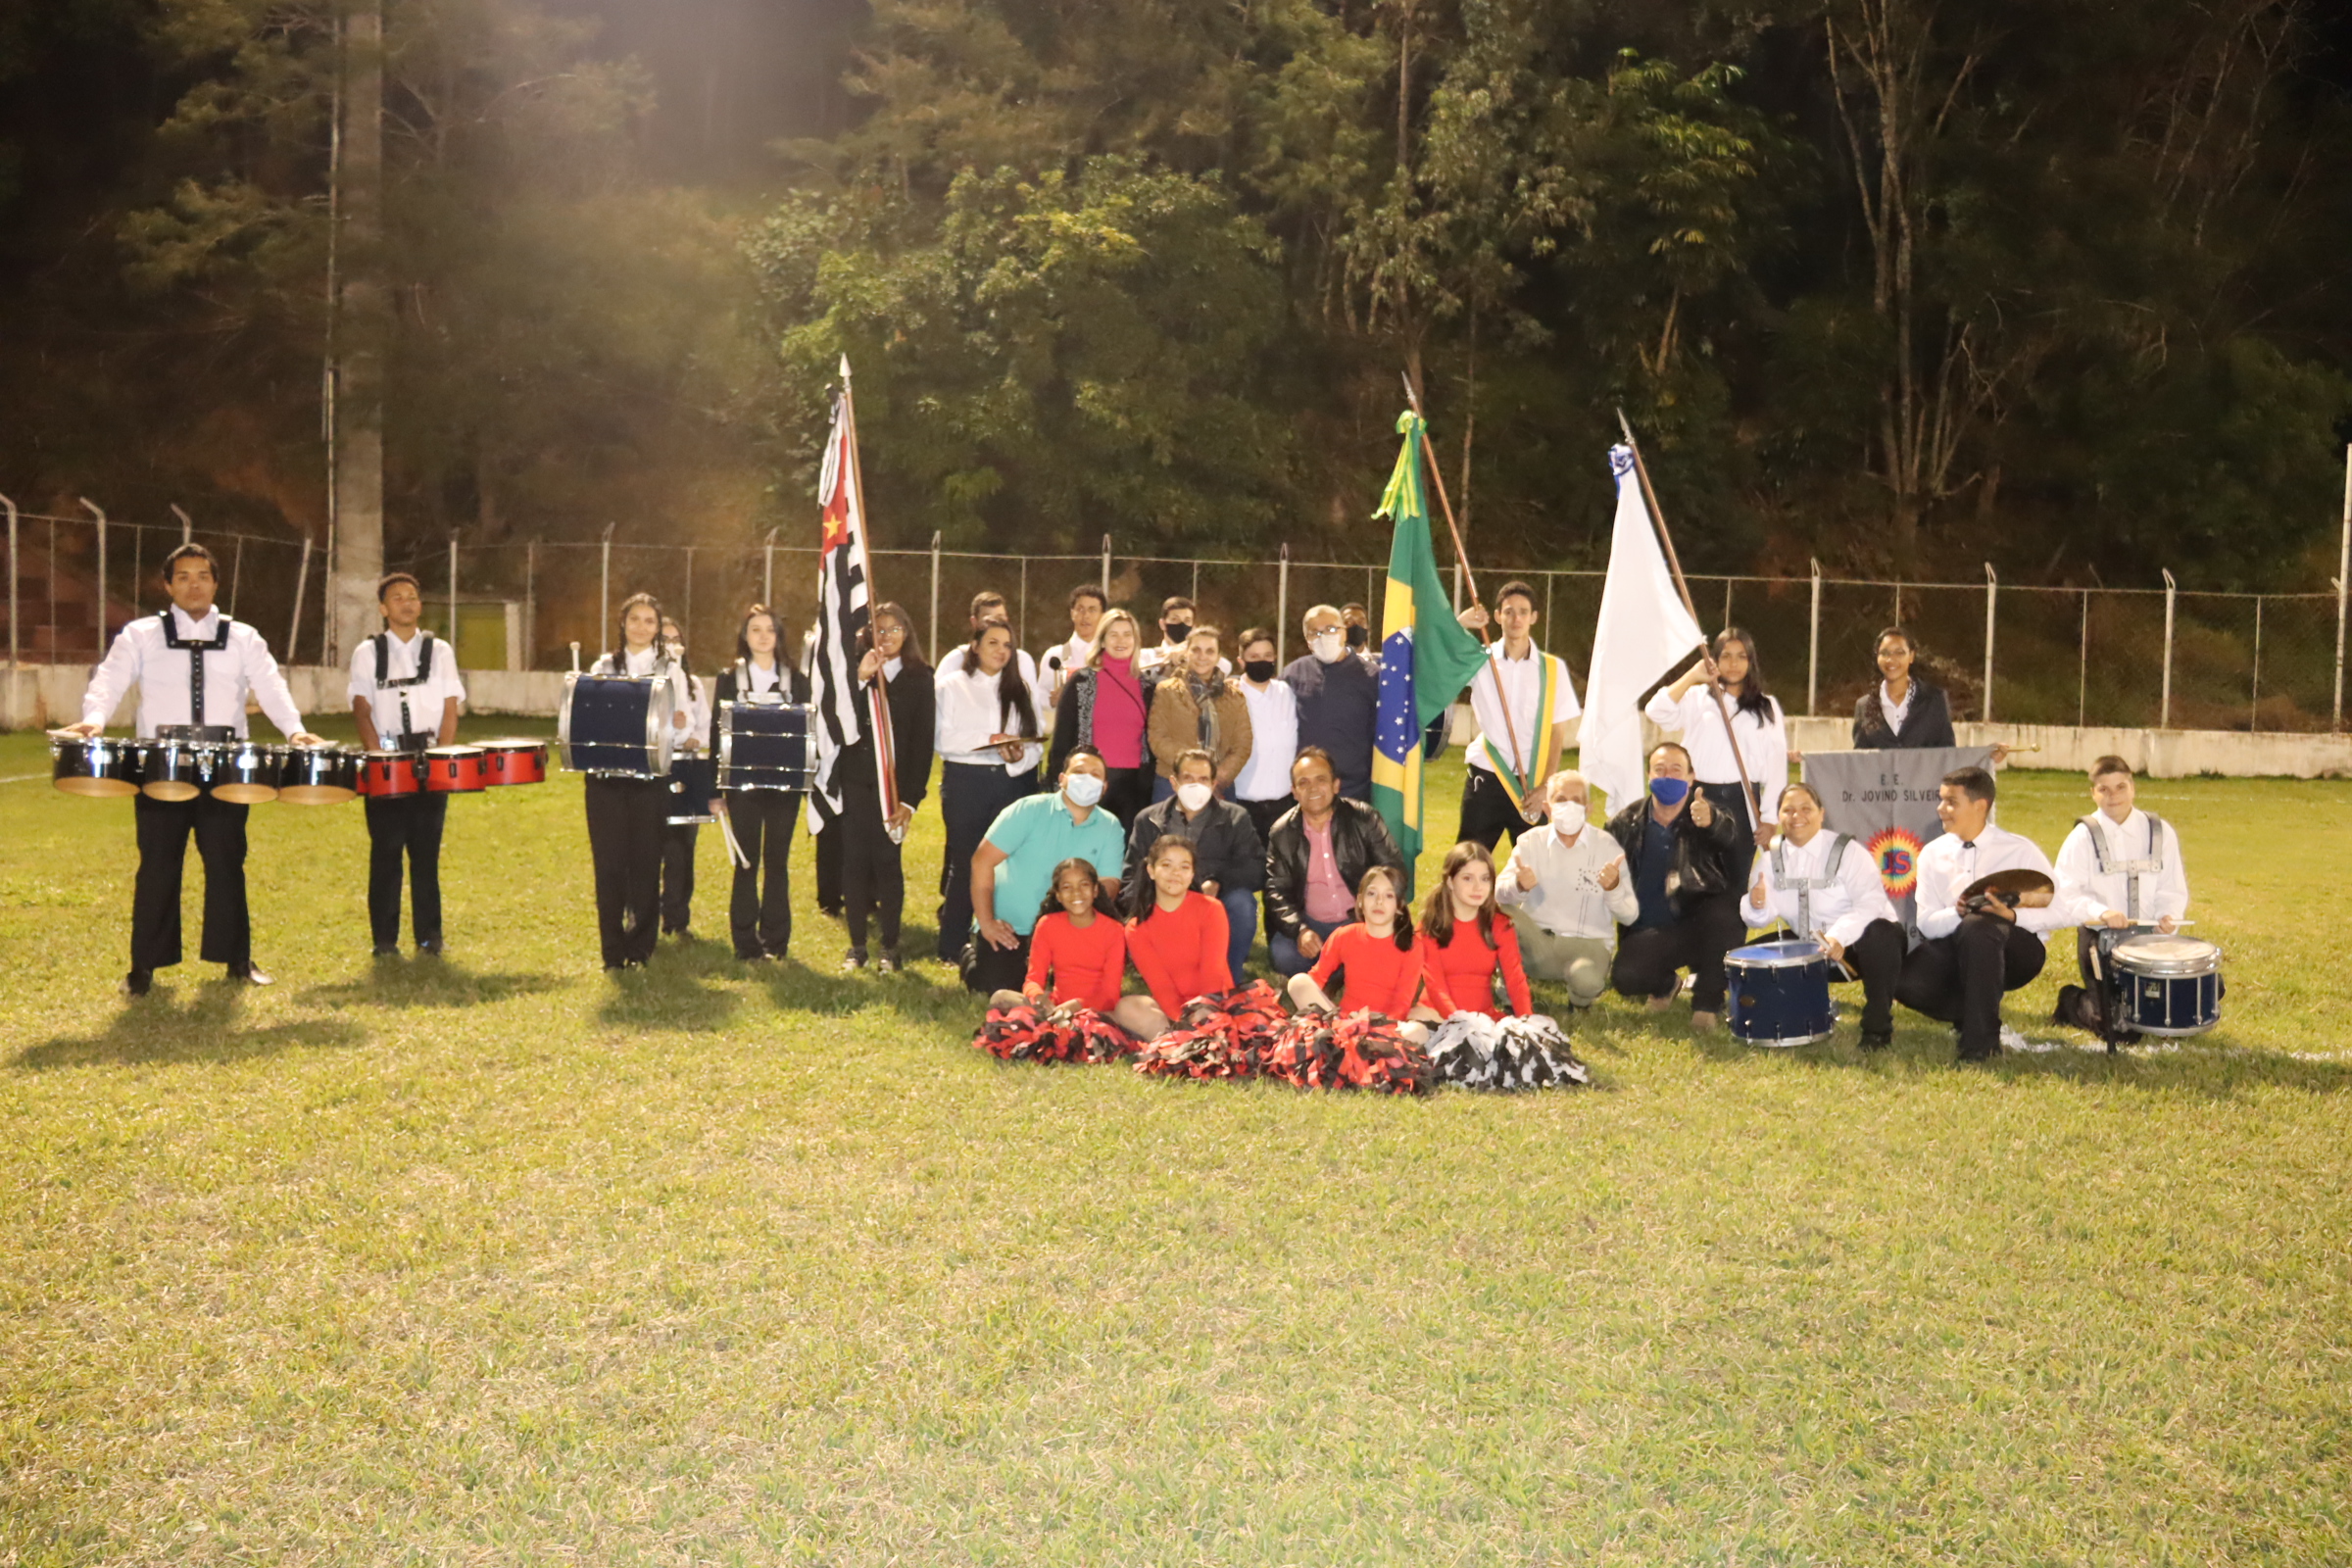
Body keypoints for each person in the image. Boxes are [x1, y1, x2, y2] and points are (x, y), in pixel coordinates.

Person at [69, 542, 326, 995]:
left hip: (226, 768)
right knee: (157, 865)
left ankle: (237, 960)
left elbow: (270, 684)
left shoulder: (243, 636)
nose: (194, 584)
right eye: (183, 576)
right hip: (161, 766)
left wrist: (295, 730)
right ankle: (143, 967)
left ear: (216, 583)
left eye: (203, 575)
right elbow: (110, 679)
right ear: (168, 585)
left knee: (228, 862)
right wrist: (94, 719)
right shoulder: (140, 634)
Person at [1895, 765, 2071, 1060]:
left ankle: (1981, 1044)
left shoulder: (2020, 850)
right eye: (1941, 800)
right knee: (1903, 983)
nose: (1941, 809)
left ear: (1980, 806)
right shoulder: (1931, 854)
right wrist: (1958, 913)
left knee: (1980, 927)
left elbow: (2062, 909)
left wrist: (2011, 917)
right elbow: (1926, 923)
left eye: (1951, 801)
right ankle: (1974, 1010)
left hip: (2017, 950)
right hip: (1959, 946)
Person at [349, 571, 466, 958]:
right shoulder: (366, 653)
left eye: (413, 596)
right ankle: (384, 940)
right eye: (397, 597)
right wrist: (377, 758)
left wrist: (443, 756)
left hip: (428, 757)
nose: (407, 602)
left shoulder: (441, 651)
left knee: (426, 852)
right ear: (383, 609)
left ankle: (429, 936)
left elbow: (451, 706)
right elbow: (361, 708)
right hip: (387, 760)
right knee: (385, 850)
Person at [1743, 781, 1907, 1049]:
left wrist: (1839, 936)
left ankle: (1877, 1027)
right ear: (1780, 816)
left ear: (1821, 813)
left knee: (1882, 935)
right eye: (1789, 810)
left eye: (1806, 808)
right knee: (1748, 959)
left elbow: (1871, 902)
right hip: (1808, 947)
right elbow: (1757, 919)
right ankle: (1788, 1012)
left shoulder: (1848, 852)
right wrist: (1757, 903)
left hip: (1860, 944)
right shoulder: (1770, 860)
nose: (1797, 817)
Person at [583, 593, 693, 971]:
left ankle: (641, 949)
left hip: (651, 781)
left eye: (649, 620)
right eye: (635, 619)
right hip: (606, 782)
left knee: (647, 862)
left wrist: (680, 726)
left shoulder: (671, 669)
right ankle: (612, 952)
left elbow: (686, 723)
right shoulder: (603, 665)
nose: (641, 627)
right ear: (623, 623)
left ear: (657, 627)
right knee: (609, 866)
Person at [1607, 742, 1747, 1033]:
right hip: (1652, 931)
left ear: (1691, 777)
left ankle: (1706, 1005)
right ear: (1648, 775)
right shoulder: (1625, 822)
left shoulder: (1706, 816)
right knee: (1625, 978)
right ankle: (1666, 984)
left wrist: (1711, 823)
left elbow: (1729, 836)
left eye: (1676, 770)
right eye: (1659, 770)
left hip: (1702, 925)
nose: (1667, 776)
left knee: (1726, 914)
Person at [964, 748, 1128, 995]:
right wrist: (987, 923)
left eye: (1095, 775)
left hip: (1071, 932)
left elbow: (1109, 886)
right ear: (1062, 779)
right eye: (1079, 771)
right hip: (1013, 930)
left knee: (1072, 993)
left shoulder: (1110, 826)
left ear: (1104, 788)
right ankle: (972, 955)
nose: (1087, 779)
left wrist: (1079, 926)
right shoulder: (1027, 809)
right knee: (999, 989)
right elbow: (982, 862)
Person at [2051, 756, 2190, 1034]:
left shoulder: (2160, 831)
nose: (2113, 796)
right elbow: (2065, 892)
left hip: (2152, 940)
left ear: (2133, 788)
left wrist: (2168, 916)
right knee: (2117, 1028)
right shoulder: (2081, 837)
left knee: (2193, 998)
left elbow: (2171, 887)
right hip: (2100, 938)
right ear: (2093, 793)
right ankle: (2072, 1001)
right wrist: (2100, 912)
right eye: (2104, 789)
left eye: (2120, 787)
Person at [934, 617, 1044, 963]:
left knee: (1011, 864)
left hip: (1012, 783)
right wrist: (989, 741)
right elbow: (942, 740)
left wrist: (1017, 756)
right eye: (993, 642)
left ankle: (1008, 941)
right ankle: (952, 946)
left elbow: (1037, 744)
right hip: (967, 783)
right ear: (975, 646)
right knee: (966, 863)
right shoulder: (952, 684)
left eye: (1007, 645)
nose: (1001, 651)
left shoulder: (1021, 689)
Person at [707, 604, 811, 963]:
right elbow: (714, 733)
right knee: (747, 862)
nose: (763, 635)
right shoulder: (728, 678)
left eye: (770, 629)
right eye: (755, 629)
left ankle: (776, 940)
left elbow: (807, 734)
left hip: (784, 786)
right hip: (741, 785)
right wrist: (714, 789)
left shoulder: (797, 680)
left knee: (777, 862)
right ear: (744, 636)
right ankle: (745, 943)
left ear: (779, 637)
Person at [1644, 626, 1788, 889]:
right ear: (1715, 660)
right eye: (1726, 656)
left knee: (1735, 883)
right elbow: (1656, 711)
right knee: (1691, 880)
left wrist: (1769, 818)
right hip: (1699, 797)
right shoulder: (1697, 698)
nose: (1733, 664)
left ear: (1751, 661)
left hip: (1743, 801)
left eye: (1741, 656)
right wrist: (1692, 676)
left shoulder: (1767, 706)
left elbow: (1777, 765)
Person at [837, 602, 933, 972]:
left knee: (888, 865)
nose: (887, 636)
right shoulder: (854, 674)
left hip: (893, 789)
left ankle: (890, 945)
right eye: (879, 629)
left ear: (906, 633)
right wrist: (860, 679)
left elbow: (923, 743)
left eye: (895, 629)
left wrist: (910, 800)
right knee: (855, 865)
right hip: (857, 784)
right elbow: (840, 722)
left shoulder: (920, 677)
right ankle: (857, 945)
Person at [1494, 769, 1638, 1011]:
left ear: (1588, 808)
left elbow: (1630, 915)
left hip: (1587, 947)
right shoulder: (1530, 842)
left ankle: (1579, 999)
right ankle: (1508, 987)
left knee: (1587, 981)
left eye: (1577, 800)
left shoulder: (1606, 847)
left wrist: (1613, 888)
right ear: (1547, 807)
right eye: (1561, 799)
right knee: (1496, 912)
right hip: (1539, 942)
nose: (1568, 806)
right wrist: (1518, 885)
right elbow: (1499, 895)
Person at [1456, 579, 1581, 853]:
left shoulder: (1552, 668)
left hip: (1533, 783)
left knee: (1539, 872)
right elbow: (1439, 657)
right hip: (1487, 776)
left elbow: (1557, 732)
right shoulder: (1479, 660)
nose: (1516, 618)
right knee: (1467, 861)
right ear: (1498, 616)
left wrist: (1545, 786)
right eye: (1509, 611)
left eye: (1523, 612)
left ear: (1534, 617)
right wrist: (1460, 624)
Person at [1125, 747, 1265, 986]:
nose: (1195, 785)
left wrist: (1217, 880)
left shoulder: (1236, 818)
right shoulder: (1148, 819)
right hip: (1164, 903)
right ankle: (1166, 975)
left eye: (1202, 779)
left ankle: (1229, 978)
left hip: (1214, 905)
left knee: (1242, 903)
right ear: (1174, 782)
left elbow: (1255, 868)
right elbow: (1131, 877)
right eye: (1188, 778)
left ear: (1213, 784)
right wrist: (1158, 897)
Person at [1263, 747, 1404, 977]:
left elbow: (1394, 871)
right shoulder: (1282, 833)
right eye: (1304, 783)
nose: (1313, 789)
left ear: (1335, 784)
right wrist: (1300, 930)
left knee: (1392, 956)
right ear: (1294, 792)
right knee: (1284, 955)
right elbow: (1275, 891)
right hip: (1313, 925)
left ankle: (1342, 963)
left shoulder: (1364, 818)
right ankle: (1344, 964)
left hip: (1361, 920)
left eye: (1321, 780)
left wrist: (1372, 918)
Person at [1286, 864, 1444, 1045]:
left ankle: (1350, 1044)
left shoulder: (1412, 946)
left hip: (1383, 1027)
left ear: (1399, 906)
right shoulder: (1344, 935)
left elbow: (1402, 1004)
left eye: (1389, 896)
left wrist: (1373, 1026)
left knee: (1418, 1032)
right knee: (1298, 982)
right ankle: (1344, 1039)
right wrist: (1327, 1013)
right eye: (1372, 894)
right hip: (1342, 1021)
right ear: (1359, 900)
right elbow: (1317, 979)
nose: (1379, 902)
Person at [1116, 834, 1234, 1041]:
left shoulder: (1211, 909)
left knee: (1213, 1019)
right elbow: (1161, 986)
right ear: (1151, 871)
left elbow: (1212, 972)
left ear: (1192, 874)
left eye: (1184, 867)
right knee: (1126, 1007)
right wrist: (1182, 1018)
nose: (1175, 874)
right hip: (1174, 1013)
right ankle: (1182, 1039)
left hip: (1215, 1004)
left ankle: (1186, 1040)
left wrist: (1204, 1012)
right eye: (1167, 865)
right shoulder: (1136, 928)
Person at [1046, 608, 1154, 827]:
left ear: (1136, 640)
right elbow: (1063, 737)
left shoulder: (1149, 687)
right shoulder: (1081, 682)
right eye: (1113, 634)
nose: (1120, 640)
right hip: (1088, 781)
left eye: (1127, 634)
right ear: (1102, 640)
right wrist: (1056, 782)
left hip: (1134, 787)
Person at [987, 857, 1126, 1016]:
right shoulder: (1047, 925)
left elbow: (1110, 995)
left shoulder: (1114, 930)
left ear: (1095, 891)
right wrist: (1038, 997)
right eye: (1067, 887)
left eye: (1084, 885)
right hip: (1054, 1009)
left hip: (1096, 1012)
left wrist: (1077, 1006)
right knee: (1000, 998)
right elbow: (1033, 980)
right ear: (1058, 895)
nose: (1076, 893)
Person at [1418, 842, 1535, 1020]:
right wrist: (1460, 1023)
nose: (1478, 887)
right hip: (1436, 1016)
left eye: (1485, 878)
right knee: (1413, 1036)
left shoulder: (1499, 924)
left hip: (1483, 1018)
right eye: (1467, 878)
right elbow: (1436, 986)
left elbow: (1515, 980)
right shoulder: (1430, 926)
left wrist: (1528, 1021)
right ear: (1450, 881)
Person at [1282, 604, 1379, 802]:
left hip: (1356, 791)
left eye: (1331, 629)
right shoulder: (1294, 673)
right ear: (1307, 640)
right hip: (1307, 792)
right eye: (1315, 633)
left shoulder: (1372, 677)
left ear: (1344, 633)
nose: (1323, 636)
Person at [656, 615, 713, 939]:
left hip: (687, 769)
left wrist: (695, 739)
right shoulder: (644, 679)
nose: (671, 646)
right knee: (649, 847)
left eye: (676, 640)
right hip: (654, 770)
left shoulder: (692, 685)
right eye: (664, 640)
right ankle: (643, 914)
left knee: (682, 849)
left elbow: (705, 725)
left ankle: (676, 916)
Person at [1146, 624, 1251, 803]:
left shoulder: (1235, 697)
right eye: (1196, 650)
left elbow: (1242, 745)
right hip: (1173, 783)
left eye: (1210, 651)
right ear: (1186, 653)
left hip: (1219, 785)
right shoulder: (1166, 691)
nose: (1202, 656)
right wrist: (1194, 770)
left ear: (1218, 657)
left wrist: (1218, 776)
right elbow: (1157, 738)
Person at [1231, 625, 1298, 843]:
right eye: (1254, 656)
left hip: (1285, 806)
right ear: (1241, 660)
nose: (1262, 661)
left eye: (1267, 655)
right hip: (1242, 806)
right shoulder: (1230, 696)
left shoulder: (1286, 692)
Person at [1850, 625, 1957, 749]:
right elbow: (1860, 760)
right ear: (1877, 657)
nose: (1891, 659)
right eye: (1884, 653)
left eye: (1899, 652)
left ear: (1911, 656)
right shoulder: (1864, 706)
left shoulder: (1934, 699)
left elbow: (1947, 755)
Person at [935, 590, 1040, 685]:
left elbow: (1033, 704)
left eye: (1000, 617)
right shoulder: (955, 661)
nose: (995, 623)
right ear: (974, 622)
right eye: (988, 618)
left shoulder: (1022, 660)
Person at [1038, 583, 1106, 719]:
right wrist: (1052, 702)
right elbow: (1039, 697)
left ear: (1103, 616)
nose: (1085, 615)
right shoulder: (1055, 656)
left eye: (1092, 610)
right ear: (1072, 613)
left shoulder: (1111, 656)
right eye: (1080, 609)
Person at [1138, 595, 1222, 683]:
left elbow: (1225, 666)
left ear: (1194, 626)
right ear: (1162, 624)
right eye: (1175, 619)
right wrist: (1168, 661)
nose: (1181, 625)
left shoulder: (1203, 656)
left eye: (1187, 620)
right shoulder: (1145, 655)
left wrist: (1187, 652)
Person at [1340, 602, 1380, 669]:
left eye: (1361, 621)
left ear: (1368, 629)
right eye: (1349, 622)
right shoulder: (1329, 664)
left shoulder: (1382, 663)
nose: (1356, 625)